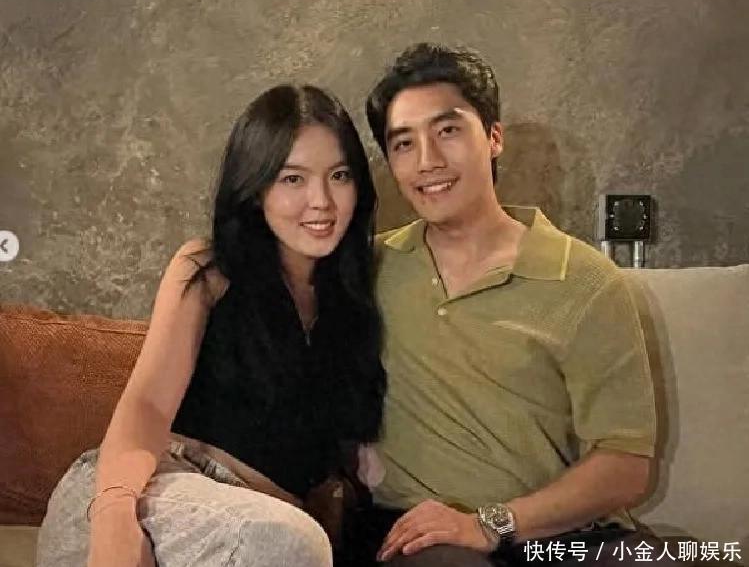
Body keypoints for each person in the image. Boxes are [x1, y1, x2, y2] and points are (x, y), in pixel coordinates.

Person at [37, 84, 386, 567]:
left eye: (339, 175)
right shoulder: (209, 270)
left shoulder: (355, 297)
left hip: (258, 533)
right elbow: (147, 407)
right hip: (148, 491)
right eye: (292, 178)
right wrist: (115, 514)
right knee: (291, 542)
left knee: (294, 541)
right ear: (256, 187)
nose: (321, 201)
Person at [346, 42, 664, 566]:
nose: (427, 161)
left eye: (448, 131)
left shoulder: (587, 281)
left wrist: (491, 523)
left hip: (566, 538)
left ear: (494, 137)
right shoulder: (369, 269)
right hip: (428, 537)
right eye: (403, 144)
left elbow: (626, 465)